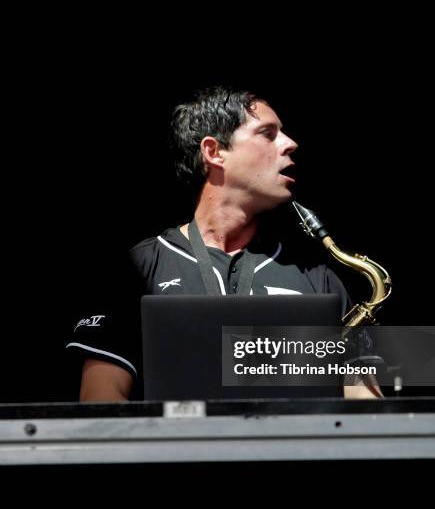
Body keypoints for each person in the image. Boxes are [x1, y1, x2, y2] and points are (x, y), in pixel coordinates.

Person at [67, 86, 381, 401]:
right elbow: (101, 403)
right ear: (214, 152)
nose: (291, 143)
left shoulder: (318, 277)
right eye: (268, 134)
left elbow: (366, 408)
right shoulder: (139, 268)